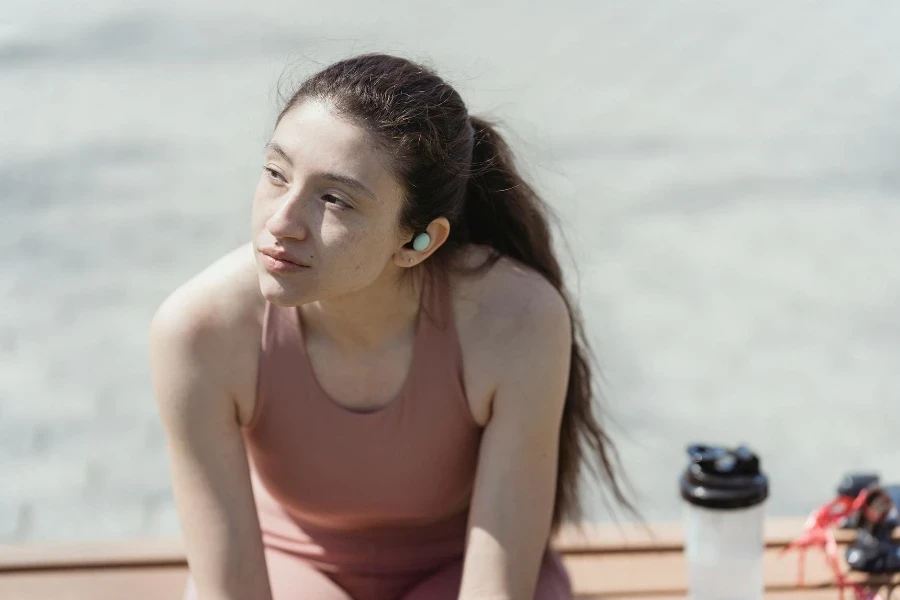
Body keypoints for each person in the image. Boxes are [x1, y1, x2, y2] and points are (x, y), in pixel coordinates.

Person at [150, 53, 633, 600]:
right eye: (276, 174)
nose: (281, 222)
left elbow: (494, 589)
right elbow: (231, 589)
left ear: (417, 241)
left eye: (333, 199)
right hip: (287, 575)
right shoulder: (200, 331)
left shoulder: (517, 320)